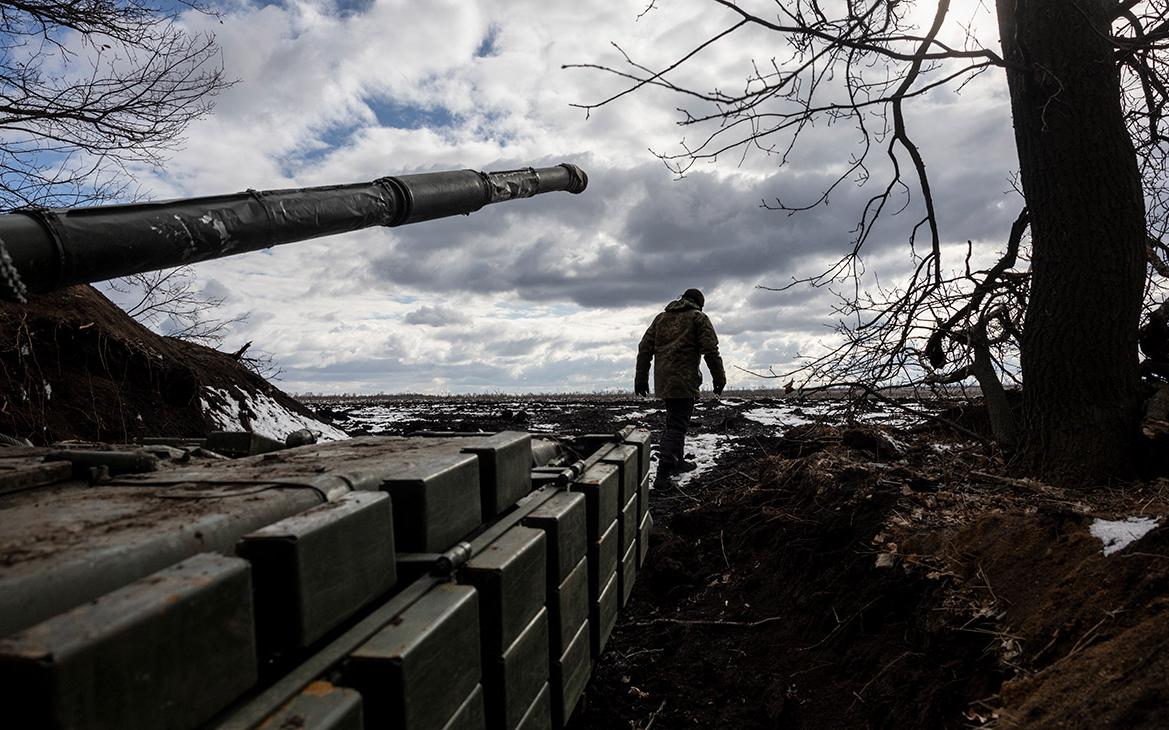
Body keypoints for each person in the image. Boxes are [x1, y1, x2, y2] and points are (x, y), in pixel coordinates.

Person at [634, 288, 726, 478]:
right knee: (677, 425)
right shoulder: (698, 317)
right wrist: (719, 377)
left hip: (664, 381)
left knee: (674, 421)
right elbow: (711, 350)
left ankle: (678, 461)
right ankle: (664, 471)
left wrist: (641, 378)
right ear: (699, 303)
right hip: (684, 380)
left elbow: (644, 349)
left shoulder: (661, 319)